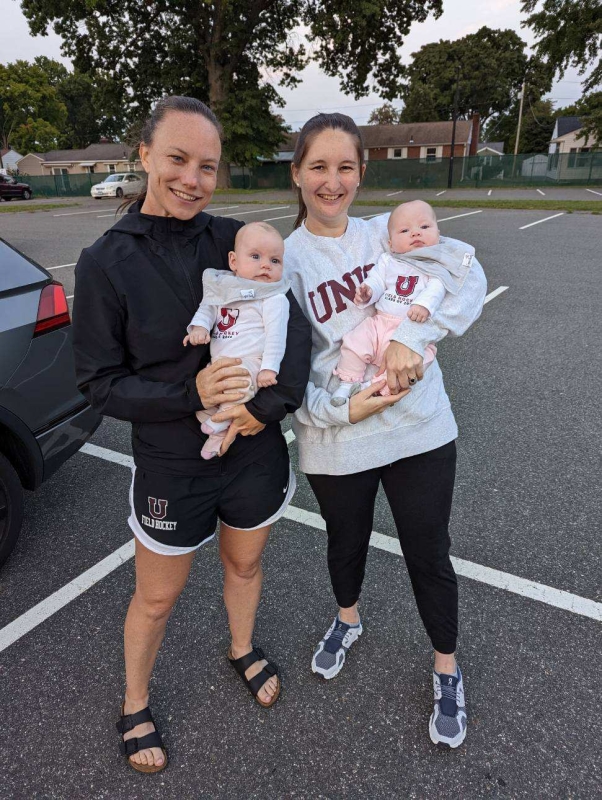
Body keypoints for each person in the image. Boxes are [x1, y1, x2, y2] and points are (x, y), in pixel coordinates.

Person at [72, 96, 311, 773]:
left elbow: (294, 334)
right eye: (177, 159)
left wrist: (266, 410)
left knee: (245, 563)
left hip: (253, 450)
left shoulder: (235, 240)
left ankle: (240, 647)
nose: (192, 179)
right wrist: (188, 393)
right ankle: (134, 701)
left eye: (207, 166)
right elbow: (98, 383)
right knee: (157, 594)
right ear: (144, 155)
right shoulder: (105, 264)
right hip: (174, 462)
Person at [284, 113, 487, 749]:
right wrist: (344, 411)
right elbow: (283, 371)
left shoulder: (391, 231)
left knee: (428, 550)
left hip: (418, 427)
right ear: (297, 173)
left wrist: (413, 334)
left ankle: (446, 668)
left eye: (346, 167)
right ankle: (347, 619)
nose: (332, 180)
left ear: (361, 174)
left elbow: (469, 273)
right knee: (345, 543)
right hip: (338, 436)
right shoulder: (285, 259)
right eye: (318, 166)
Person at [330, 199, 474, 406]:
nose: (416, 233)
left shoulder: (436, 263)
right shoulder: (389, 260)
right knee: (354, 342)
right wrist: (368, 292)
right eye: (405, 231)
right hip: (380, 322)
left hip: (410, 326)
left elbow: (437, 287)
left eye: (424, 227)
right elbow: (378, 280)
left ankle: (378, 388)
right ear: (391, 243)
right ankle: (347, 383)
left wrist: (424, 305)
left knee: (419, 360)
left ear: (438, 234)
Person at [184, 222, 291, 459]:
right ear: (233, 261)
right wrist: (199, 327)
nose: (266, 265)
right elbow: (207, 308)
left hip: (251, 362)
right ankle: (217, 423)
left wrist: (269, 369)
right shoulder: (225, 288)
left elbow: (277, 337)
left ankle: (219, 431)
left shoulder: (273, 298)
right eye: (255, 256)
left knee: (237, 389)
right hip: (220, 361)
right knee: (210, 398)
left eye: (275, 261)